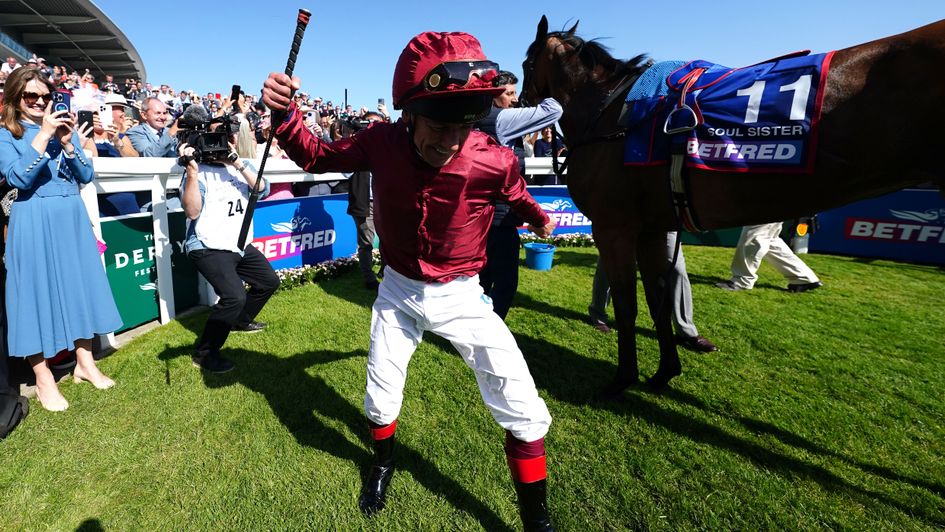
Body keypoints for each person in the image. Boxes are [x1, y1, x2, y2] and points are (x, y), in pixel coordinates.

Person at [263, 31, 558, 530]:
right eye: (438, 127)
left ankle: (536, 519)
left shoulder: (494, 157)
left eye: (461, 128)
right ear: (410, 114)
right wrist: (284, 113)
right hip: (398, 290)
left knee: (523, 408)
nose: (448, 142)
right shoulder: (382, 142)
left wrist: (537, 217)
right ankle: (382, 462)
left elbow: (519, 195)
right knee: (379, 397)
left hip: (464, 295)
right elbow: (316, 156)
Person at [0, 66, 122, 411]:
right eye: (31, 96)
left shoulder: (61, 132)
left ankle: (85, 363)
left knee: (78, 288)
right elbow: (18, 179)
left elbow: (85, 174)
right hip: (32, 219)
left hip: (71, 217)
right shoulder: (5, 134)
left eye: (45, 96)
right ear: (15, 97)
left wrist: (69, 144)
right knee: (33, 296)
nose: (39, 102)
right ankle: (43, 379)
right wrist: (43, 136)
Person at [178, 107, 279, 374]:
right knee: (233, 296)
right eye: (214, 139)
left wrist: (236, 162)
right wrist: (190, 172)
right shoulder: (198, 170)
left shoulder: (240, 166)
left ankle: (240, 320)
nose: (220, 144)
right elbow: (192, 211)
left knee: (268, 282)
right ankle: (204, 353)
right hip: (208, 245)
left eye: (225, 138)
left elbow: (263, 189)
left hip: (238, 243)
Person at [475, 70, 562, 319]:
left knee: (483, 279)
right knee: (505, 283)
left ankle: (474, 330)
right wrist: (539, 89)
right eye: (509, 93)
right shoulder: (501, 119)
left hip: (480, 218)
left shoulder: (475, 120)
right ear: (493, 96)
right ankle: (492, 330)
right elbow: (554, 110)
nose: (515, 100)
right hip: (499, 220)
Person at [588, 232, 719, 352]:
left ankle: (686, 332)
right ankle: (598, 315)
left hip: (664, 220)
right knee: (610, 263)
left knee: (677, 270)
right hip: (626, 216)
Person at [715, 222, 823, 292]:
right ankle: (803, 278)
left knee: (754, 237)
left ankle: (742, 281)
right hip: (775, 197)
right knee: (769, 239)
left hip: (769, 198)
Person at [345, 111, 385, 290]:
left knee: (388, 241)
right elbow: (345, 172)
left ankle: (387, 272)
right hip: (364, 202)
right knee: (366, 243)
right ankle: (369, 279)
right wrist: (355, 143)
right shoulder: (356, 146)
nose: (372, 127)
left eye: (377, 124)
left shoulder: (388, 146)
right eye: (369, 123)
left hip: (385, 201)